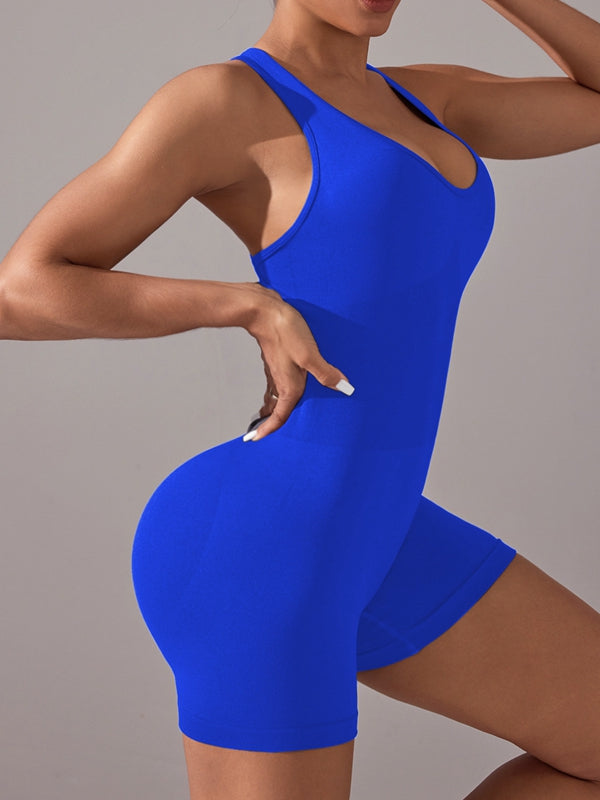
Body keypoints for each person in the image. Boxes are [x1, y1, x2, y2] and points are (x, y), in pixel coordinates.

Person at [2, 0, 600, 798]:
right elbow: (21, 292)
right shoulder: (226, 101)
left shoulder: (430, 98)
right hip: (260, 550)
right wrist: (242, 304)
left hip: (385, 533)